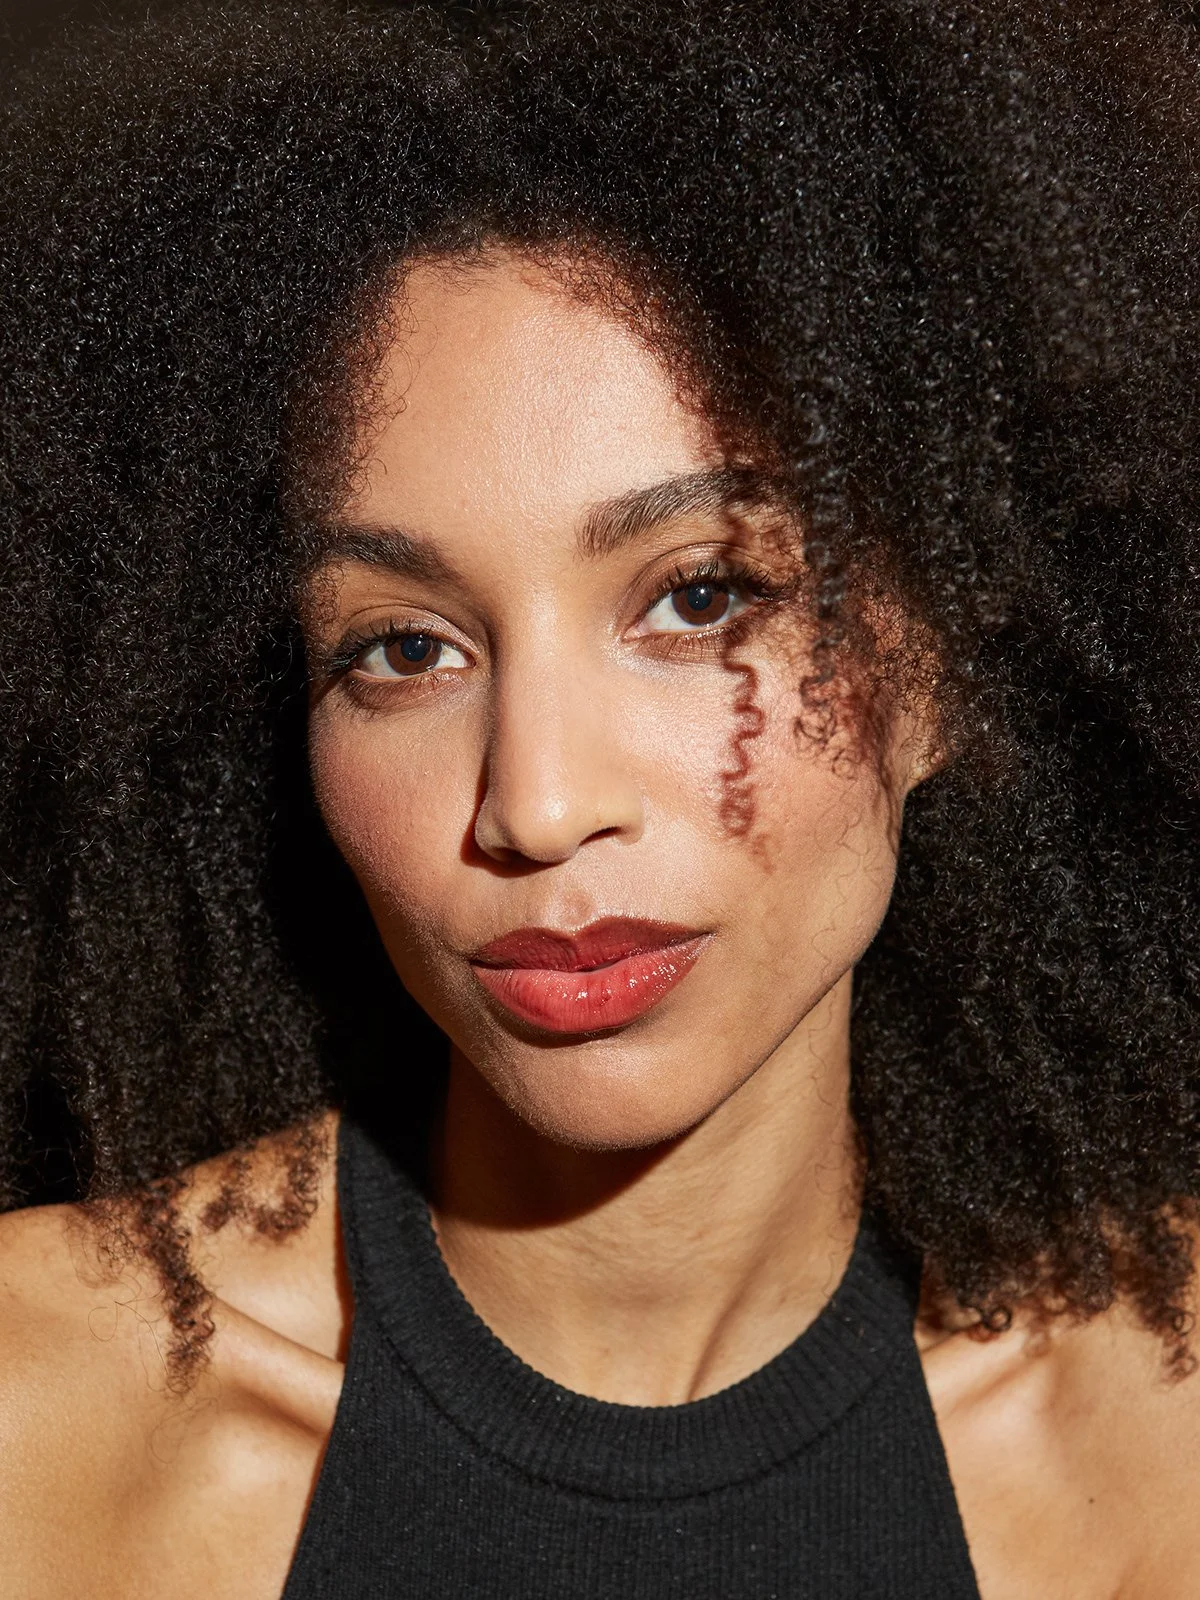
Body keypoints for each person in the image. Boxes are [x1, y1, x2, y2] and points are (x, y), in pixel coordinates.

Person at [1, 1, 1198, 1594]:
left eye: (699, 598)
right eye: (405, 648)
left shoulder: (1166, 1447)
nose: (540, 804)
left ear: (948, 667)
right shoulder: (37, 1422)